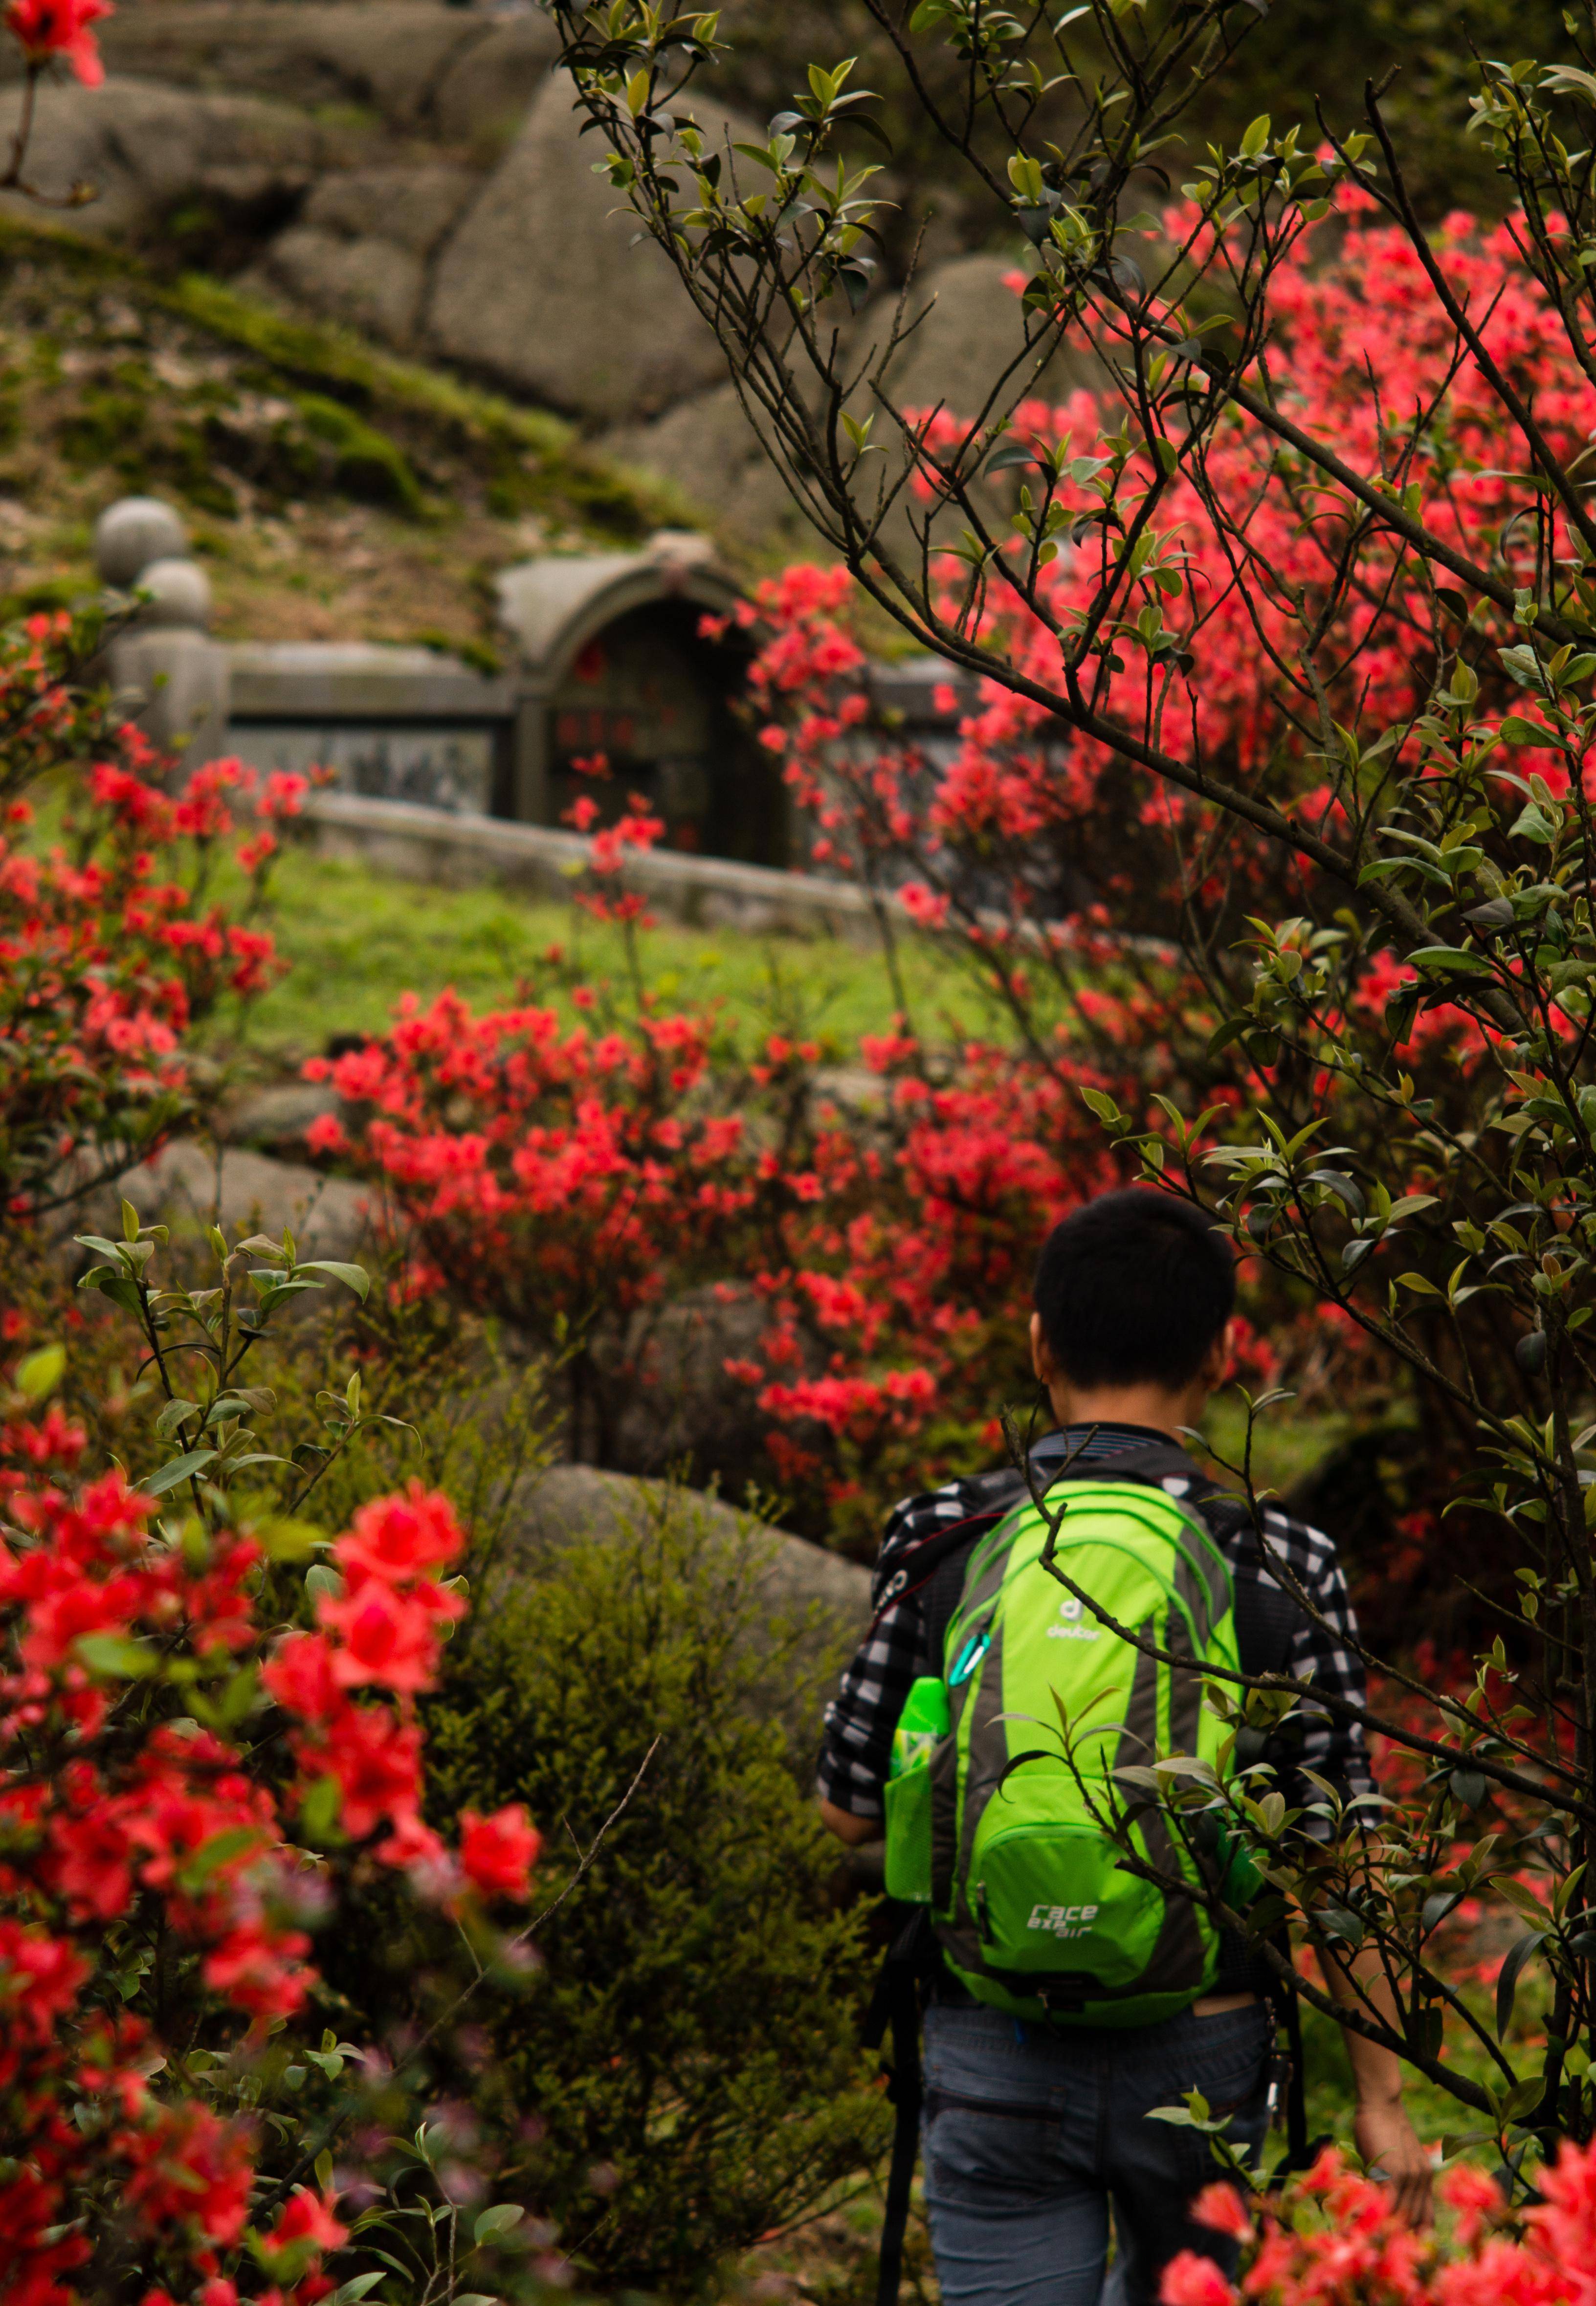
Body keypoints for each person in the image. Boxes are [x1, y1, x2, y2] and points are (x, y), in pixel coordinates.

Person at [817, 1188, 1432, 2306]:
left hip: (992, 2034)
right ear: (1221, 1351)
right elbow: (1341, 1847)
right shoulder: (1278, 1554)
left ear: (1039, 1341)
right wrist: (1381, 2100)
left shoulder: (944, 1535)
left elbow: (850, 1803)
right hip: (1202, 2044)